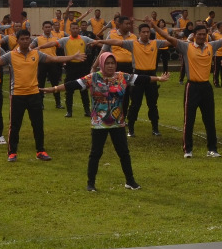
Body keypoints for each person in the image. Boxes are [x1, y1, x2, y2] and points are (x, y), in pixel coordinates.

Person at [47, 52, 166, 191]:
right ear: (102, 64)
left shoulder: (122, 76)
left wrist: (158, 78)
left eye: (112, 63)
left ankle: (130, 181)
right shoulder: (93, 77)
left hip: (118, 122)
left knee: (124, 153)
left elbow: (141, 79)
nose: (110, 66)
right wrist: (54, 89)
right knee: (96, 153)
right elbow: (72, 85)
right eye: (107, 63)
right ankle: (91, 183)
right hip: (99, 123)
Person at [0, 27, 83, 161]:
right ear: (17, 40)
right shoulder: (10, 55)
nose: (25, 41)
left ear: (30, 40)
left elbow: (54, 59)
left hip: (34, 94)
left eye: (27, 39)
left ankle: (40, 151)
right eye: (22, 39)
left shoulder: (36, 54)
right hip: (17, 95)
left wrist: (72, 57)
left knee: (38, 124)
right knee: (14, 125)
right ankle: (12, 152)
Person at [151, 21, 222, 158]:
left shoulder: (211, 46)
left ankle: (212, 149)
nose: (202, 37)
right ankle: (188, 150)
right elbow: (168, 38)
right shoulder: (186, 47)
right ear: (194, 35)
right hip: (192, 87)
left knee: (210, 120)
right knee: (189, 120)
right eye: (199, 34)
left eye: (204, 34)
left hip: (206, 87)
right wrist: (154, 26)